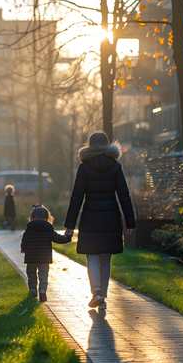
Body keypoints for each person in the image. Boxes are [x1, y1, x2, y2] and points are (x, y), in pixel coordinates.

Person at [64, 132, 135, 309]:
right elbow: (124, 195)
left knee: (92, 257)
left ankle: (97, 292)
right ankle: (102, 297)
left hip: (90, 217)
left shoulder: (84, 167)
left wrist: (70, 226)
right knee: (106, 258)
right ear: (106, 144)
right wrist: (130, 222)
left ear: (90, 144)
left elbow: (76, 197)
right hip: (111, 216)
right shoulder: (115, 166)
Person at [21, 204, 73, 302]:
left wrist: (23, 249)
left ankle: (33, 291)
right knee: (43, 275)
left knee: (31, 274)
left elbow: (24, 240)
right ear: (46, 217)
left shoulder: (29, 228)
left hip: (31, 258)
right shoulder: (48, 228)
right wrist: (68, 237)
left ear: (32, 216)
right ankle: (42, 291)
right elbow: (58, 239)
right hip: (44, 259)